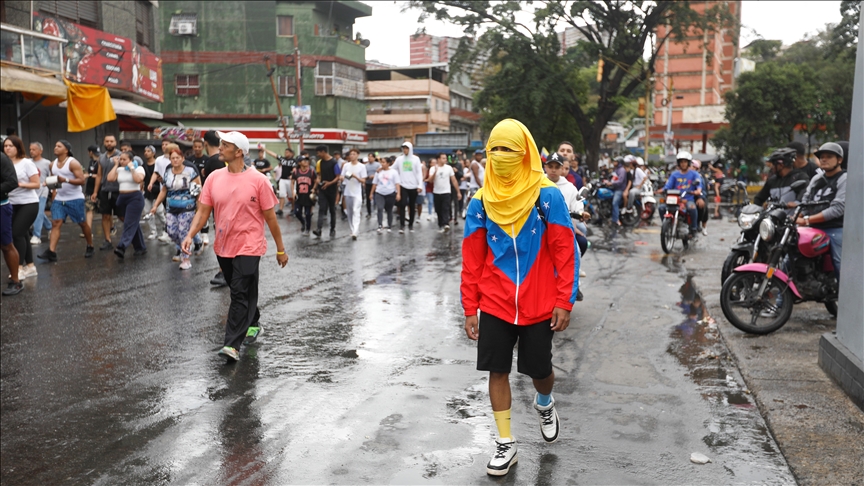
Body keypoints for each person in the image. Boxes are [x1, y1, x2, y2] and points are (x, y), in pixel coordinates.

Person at [461, 118, 579, 477]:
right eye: (494, 149)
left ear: (525, 152)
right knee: (497, 370)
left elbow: (565, 252)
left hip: (540, 303)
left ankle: (545, 402)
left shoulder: (548, 196)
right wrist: (470, 307)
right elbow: (471, 259)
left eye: (508, 150)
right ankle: (505, 442)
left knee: (540, 371)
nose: (500, 157)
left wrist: (565, 300)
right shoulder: (480, 202)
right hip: (494, 302)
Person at [181, 130, 288, 362]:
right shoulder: (214, 178)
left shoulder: (259, 180)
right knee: (240, 289)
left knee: (239, 292)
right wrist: (190, 234)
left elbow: (271, 218)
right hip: (224, 245)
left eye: (225, 145)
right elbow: (203, 211)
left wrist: (280, 249)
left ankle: (231, 344)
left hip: (250, 245)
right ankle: (254, 321)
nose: (220, 148)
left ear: (239, 152)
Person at [38, 140, 94, 261]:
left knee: (82, 223)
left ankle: (90, 245)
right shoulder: (52, 164)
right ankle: (51, 252)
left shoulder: (73, 163)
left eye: (59, 146)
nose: (55, 148)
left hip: (75, 198)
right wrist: (50, 188)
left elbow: (82, 181)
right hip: (60, 199)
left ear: (66, 150)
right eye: (55, 145)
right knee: (56, 223)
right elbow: (55, 182)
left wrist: (66, 180)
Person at [798, 142, 846, 279]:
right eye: (822, 156)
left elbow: (837, 209)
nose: (824, 159)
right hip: (812, 228)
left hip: (834, 228)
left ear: (839, 160)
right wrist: (797, 217)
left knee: (840, 263)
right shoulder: (816, 179)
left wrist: (806, 220)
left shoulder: (844, 179)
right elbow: (805, 202)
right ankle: (782, 299)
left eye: (829, 156)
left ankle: (847, 295)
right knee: (788, 259)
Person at [151, 147, 201, 270]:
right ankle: (188, 244)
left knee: (183, 232)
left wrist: (199, 208)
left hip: (187, 207)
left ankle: (186, 259)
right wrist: (155, 205)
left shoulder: (190, 171)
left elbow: (198, 189)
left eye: (177, 158)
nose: (175, 160)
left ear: (182, 158)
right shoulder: (168, 171)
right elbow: (164, 190)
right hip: (171, 207)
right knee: (172, 232)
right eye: (172, 158)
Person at [4, 136, 40, 279]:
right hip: (11, 203)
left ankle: (18, 268)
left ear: (18, 148)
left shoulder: (26, 163)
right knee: (23, 234)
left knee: (16, 234)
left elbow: (36, 183)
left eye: (10, 146)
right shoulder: (4, 163)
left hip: (28, 203)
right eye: (5, 146)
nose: (7, 148)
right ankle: (30, 266)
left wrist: (19, 184)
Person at [545, 153, 589, 264]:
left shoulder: (570, 187)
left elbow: (577, 205)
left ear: (562, 169)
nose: (553, 170)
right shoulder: (537, 184)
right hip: (541, 230)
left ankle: (574, 279)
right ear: (545, 167)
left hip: (563, 230)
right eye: (550, 167)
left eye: (557, 167)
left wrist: (581, 213)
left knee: (575, 254)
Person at [107, 151, 147, 258]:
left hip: (135, 198)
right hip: (122, 198)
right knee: (132, 223)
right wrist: (116, 165)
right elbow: (110, 178)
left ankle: (122, 246)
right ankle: (140, 247)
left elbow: (138, 180)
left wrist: (132, 168)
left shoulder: (139, 169)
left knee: (129, 223)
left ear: (131, 160)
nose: (122, 161)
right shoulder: (119, 169)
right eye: (121, 159)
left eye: (125, 159)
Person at [201, 130, 227, 285]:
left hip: (222, 207)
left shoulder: (215, 161)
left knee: (222, 236)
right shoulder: (220, 159)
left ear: (205, 143)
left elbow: (219, 187)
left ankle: (224, 272)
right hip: (223, 206)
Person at [752, 148, 809, 214]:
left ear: (781, 165)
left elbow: (805, 196)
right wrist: (760, 210)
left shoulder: (800, 177)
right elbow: (759, 198)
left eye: (774, 164)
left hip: (792, 221)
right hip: (771, 221)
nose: (772, 167)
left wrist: (795, 203)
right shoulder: (772, 180)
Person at [662, 151, 703, 235]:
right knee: (661, 208)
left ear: (688, 163)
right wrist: (664, 190)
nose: (683, 164)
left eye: (685, 162)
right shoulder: (674, 174)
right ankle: (667, 225)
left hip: (688, 199)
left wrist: (697, 191)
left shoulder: (694, 174)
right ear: (678, 163)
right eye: (681, 162)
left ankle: (694, 229)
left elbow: (699, 185)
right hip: (675, 200)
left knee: (692, 208)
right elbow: (668, 186)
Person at [93, 134, 120, 250]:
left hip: (119, 190)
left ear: (115, 143)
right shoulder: (101, 158)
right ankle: (107, 240)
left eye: (111, 141)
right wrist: (95, 192)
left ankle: (132, 238)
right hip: (105, 190)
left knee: (122, 216)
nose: (109, 143)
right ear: (104, 143)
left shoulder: (121, 156)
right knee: (105, 215)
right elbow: (99, 175)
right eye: (107, 141)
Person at [2, 152, 23, 294]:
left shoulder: (2, 158)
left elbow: (12, 182)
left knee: (6, 245)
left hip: (1, 206)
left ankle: (15, 282)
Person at [427, 152, 461, 232]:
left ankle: (446, 224)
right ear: (438, 159)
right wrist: (435, 172)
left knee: (445, 208)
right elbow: (430, 181)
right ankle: (441, 225)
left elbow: (454, 180)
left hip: (446, 192)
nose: (445, 160)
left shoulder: (449, 168)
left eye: (445, 158)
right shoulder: (432, 168)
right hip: (436, 192)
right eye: (443, 158)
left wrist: (458, 192)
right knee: (438, 210)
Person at [312, 145, 341, 238]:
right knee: (321, 209)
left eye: (318, 153)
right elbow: (319, 175)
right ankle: (318, 229)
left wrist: (329, 183)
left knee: (332, 209)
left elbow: (338, 176)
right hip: (322, 189)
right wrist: (316, 185)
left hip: (332, 189)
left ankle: (332, 229)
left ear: (323, 152)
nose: (318, 155)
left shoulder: (334, 162)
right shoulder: (319, 163)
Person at [394, 142, 423, 233]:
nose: (405, 150)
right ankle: (402, 226)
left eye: (406, 148)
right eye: (403, 148)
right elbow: (393, 168)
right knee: (402, 205)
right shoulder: (399, 159)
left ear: (410, 149)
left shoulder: (416, 159)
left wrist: (420, 185)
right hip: (403, 185)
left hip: (413, 186)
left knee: (412, 205)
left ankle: (411, 225)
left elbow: (419, 173)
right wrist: (383, 168)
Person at [340, 148, 367, 240]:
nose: (352, 156)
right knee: (350, 212)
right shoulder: (346, 166)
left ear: (358, 155)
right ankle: (352, 229)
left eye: (354, 154)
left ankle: (356, 231)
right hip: (348, 191)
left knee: (356, 210)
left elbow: (363, 180)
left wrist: (355, 176)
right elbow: (342, 176)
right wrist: (342, 178)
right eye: (351, 154)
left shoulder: (361, 167)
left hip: (357, 192)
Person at [142, 145, 167, 241]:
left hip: (158, 191)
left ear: (153, 153)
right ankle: (153, 231)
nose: (146, 153)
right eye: (145, 151)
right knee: (148, 212)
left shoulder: (158, 163)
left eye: (149, 151)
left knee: (160, 212)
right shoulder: (143, 165)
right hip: (147, 192)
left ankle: (166, 228)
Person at [28, 142, 52, 244]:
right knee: (39, 213)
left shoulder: (47, 163)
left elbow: (51, 177)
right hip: (31, 191)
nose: (31, 151)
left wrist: (52, 190)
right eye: (30, 149)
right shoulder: (28, 162)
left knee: (38, 212)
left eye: (34, 149)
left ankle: (36, 235)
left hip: (42, 191)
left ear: (40, 151)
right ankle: (50, 227)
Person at [370, 156, 400, 233]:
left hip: (390, 193)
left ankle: (389, 225)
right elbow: (374, 183)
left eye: (383, 162)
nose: (382, 164)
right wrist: (371, 193)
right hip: (379, 193)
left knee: (389, 210)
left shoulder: (393, 172)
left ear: (388, 163)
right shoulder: (378, 171)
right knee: (380, 208)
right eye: (381, 162)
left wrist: (398, 193)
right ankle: (380, 225)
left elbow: (397, 183)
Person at [265, 146, 295, 217]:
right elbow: (273, 154)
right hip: (282, 179)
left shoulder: (293, 161)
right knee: (282, 195)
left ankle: (293, 209)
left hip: (290, 180)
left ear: (291, 153)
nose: (285, 153)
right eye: (285, 152)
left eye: (287, 152)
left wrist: (292, 174)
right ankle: (280, 210)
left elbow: (295, 169)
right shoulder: (283, 159)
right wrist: (265, 149)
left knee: (292, 196)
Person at [292, 153, 316, 235]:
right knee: (296, 212)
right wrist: (293, 192)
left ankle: (308, 229)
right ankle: (303, 222)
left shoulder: (311, 172)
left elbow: (316, 181)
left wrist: (313, 189)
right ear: (299, 163)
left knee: (307, 213)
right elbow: (292, 182)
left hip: (308, 196)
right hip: (299, 196)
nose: (306, 162)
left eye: (306, 160)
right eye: (303, 160)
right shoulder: (296, 172)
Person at [609, 156, 628, 226]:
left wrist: (611, 183)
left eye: (615, 161)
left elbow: (620, 181)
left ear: (619, 162)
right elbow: (613, 178)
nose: (614, 163)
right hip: (614, 188)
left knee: (614, 203)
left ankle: (616, 220)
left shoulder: (622, 170)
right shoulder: (616, 169)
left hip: (619, 189)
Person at [364, 153, 381, 219]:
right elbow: (364, 174)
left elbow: (380, 173)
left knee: (377, 198)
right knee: (368, 199)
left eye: (371, 157)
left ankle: (378, 211)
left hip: (376, 184)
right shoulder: (366, 166)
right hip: (368, 183)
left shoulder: (377, 165)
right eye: (369, 157)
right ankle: (369, 212)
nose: (369, 158)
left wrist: (374, 176)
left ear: (374, 158)